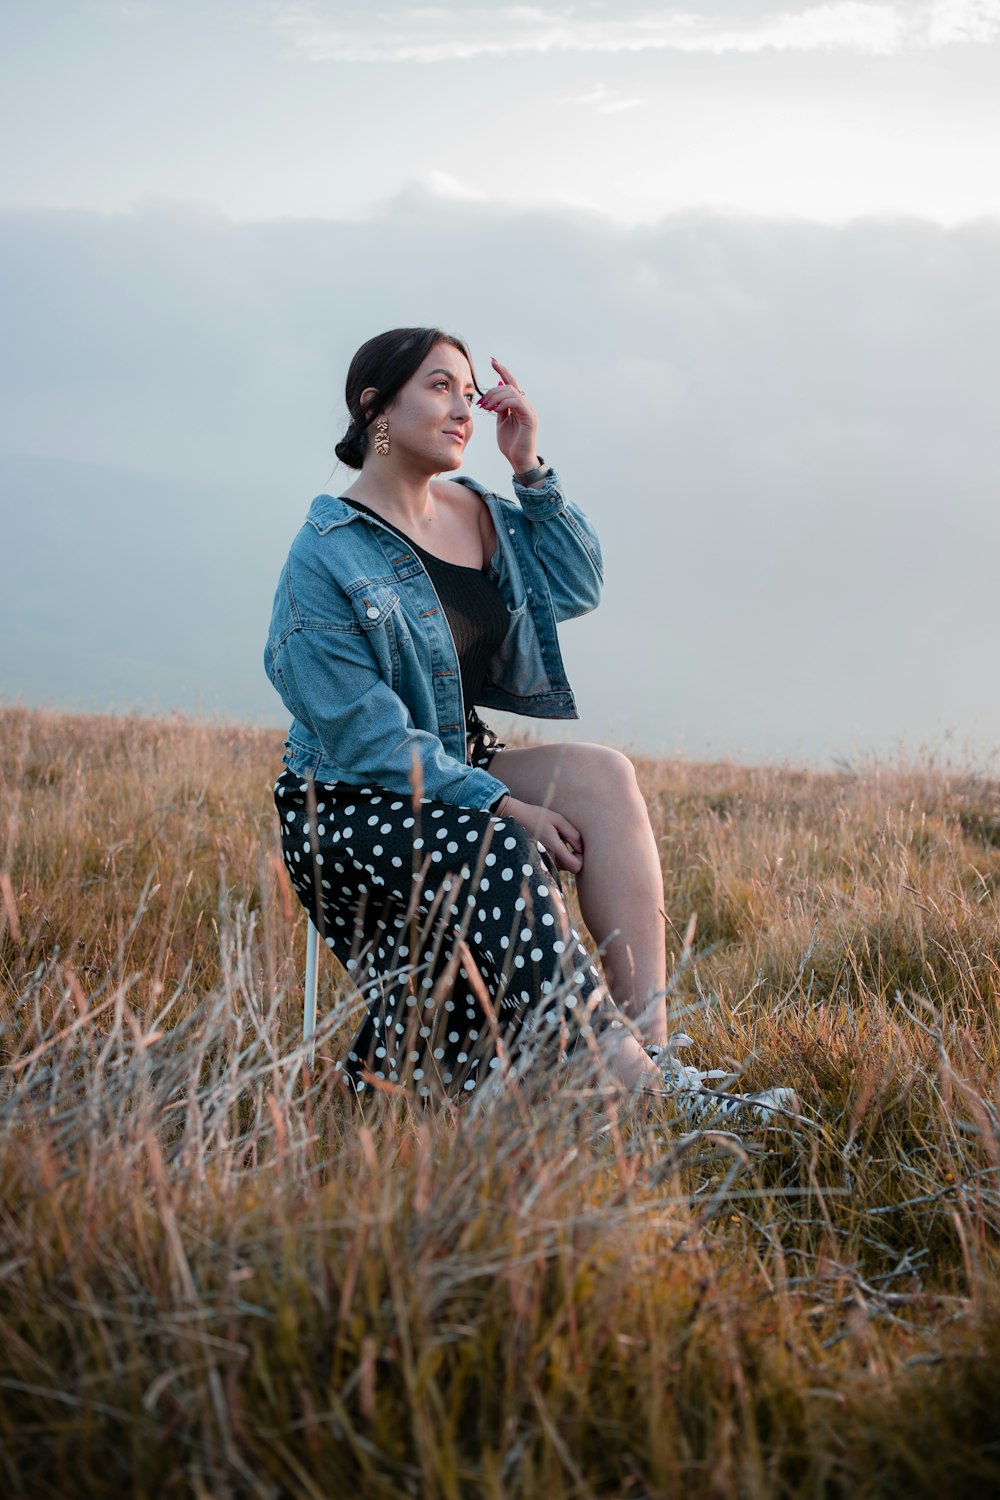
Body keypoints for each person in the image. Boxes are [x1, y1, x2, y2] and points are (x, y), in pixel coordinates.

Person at [265, 325, 672, 1104]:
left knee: (603, 778)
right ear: (374, 409)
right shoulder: (325, 554)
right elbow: (367, 737)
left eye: (467, 389)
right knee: (497, 838)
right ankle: (629, 1087)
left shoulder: (477, 509)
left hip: (454, 759)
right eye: (439, 386)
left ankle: (653, 1050)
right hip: (350, 799)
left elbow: (577, 587)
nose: (465, 409)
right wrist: (501, 801)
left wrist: (529, 467)